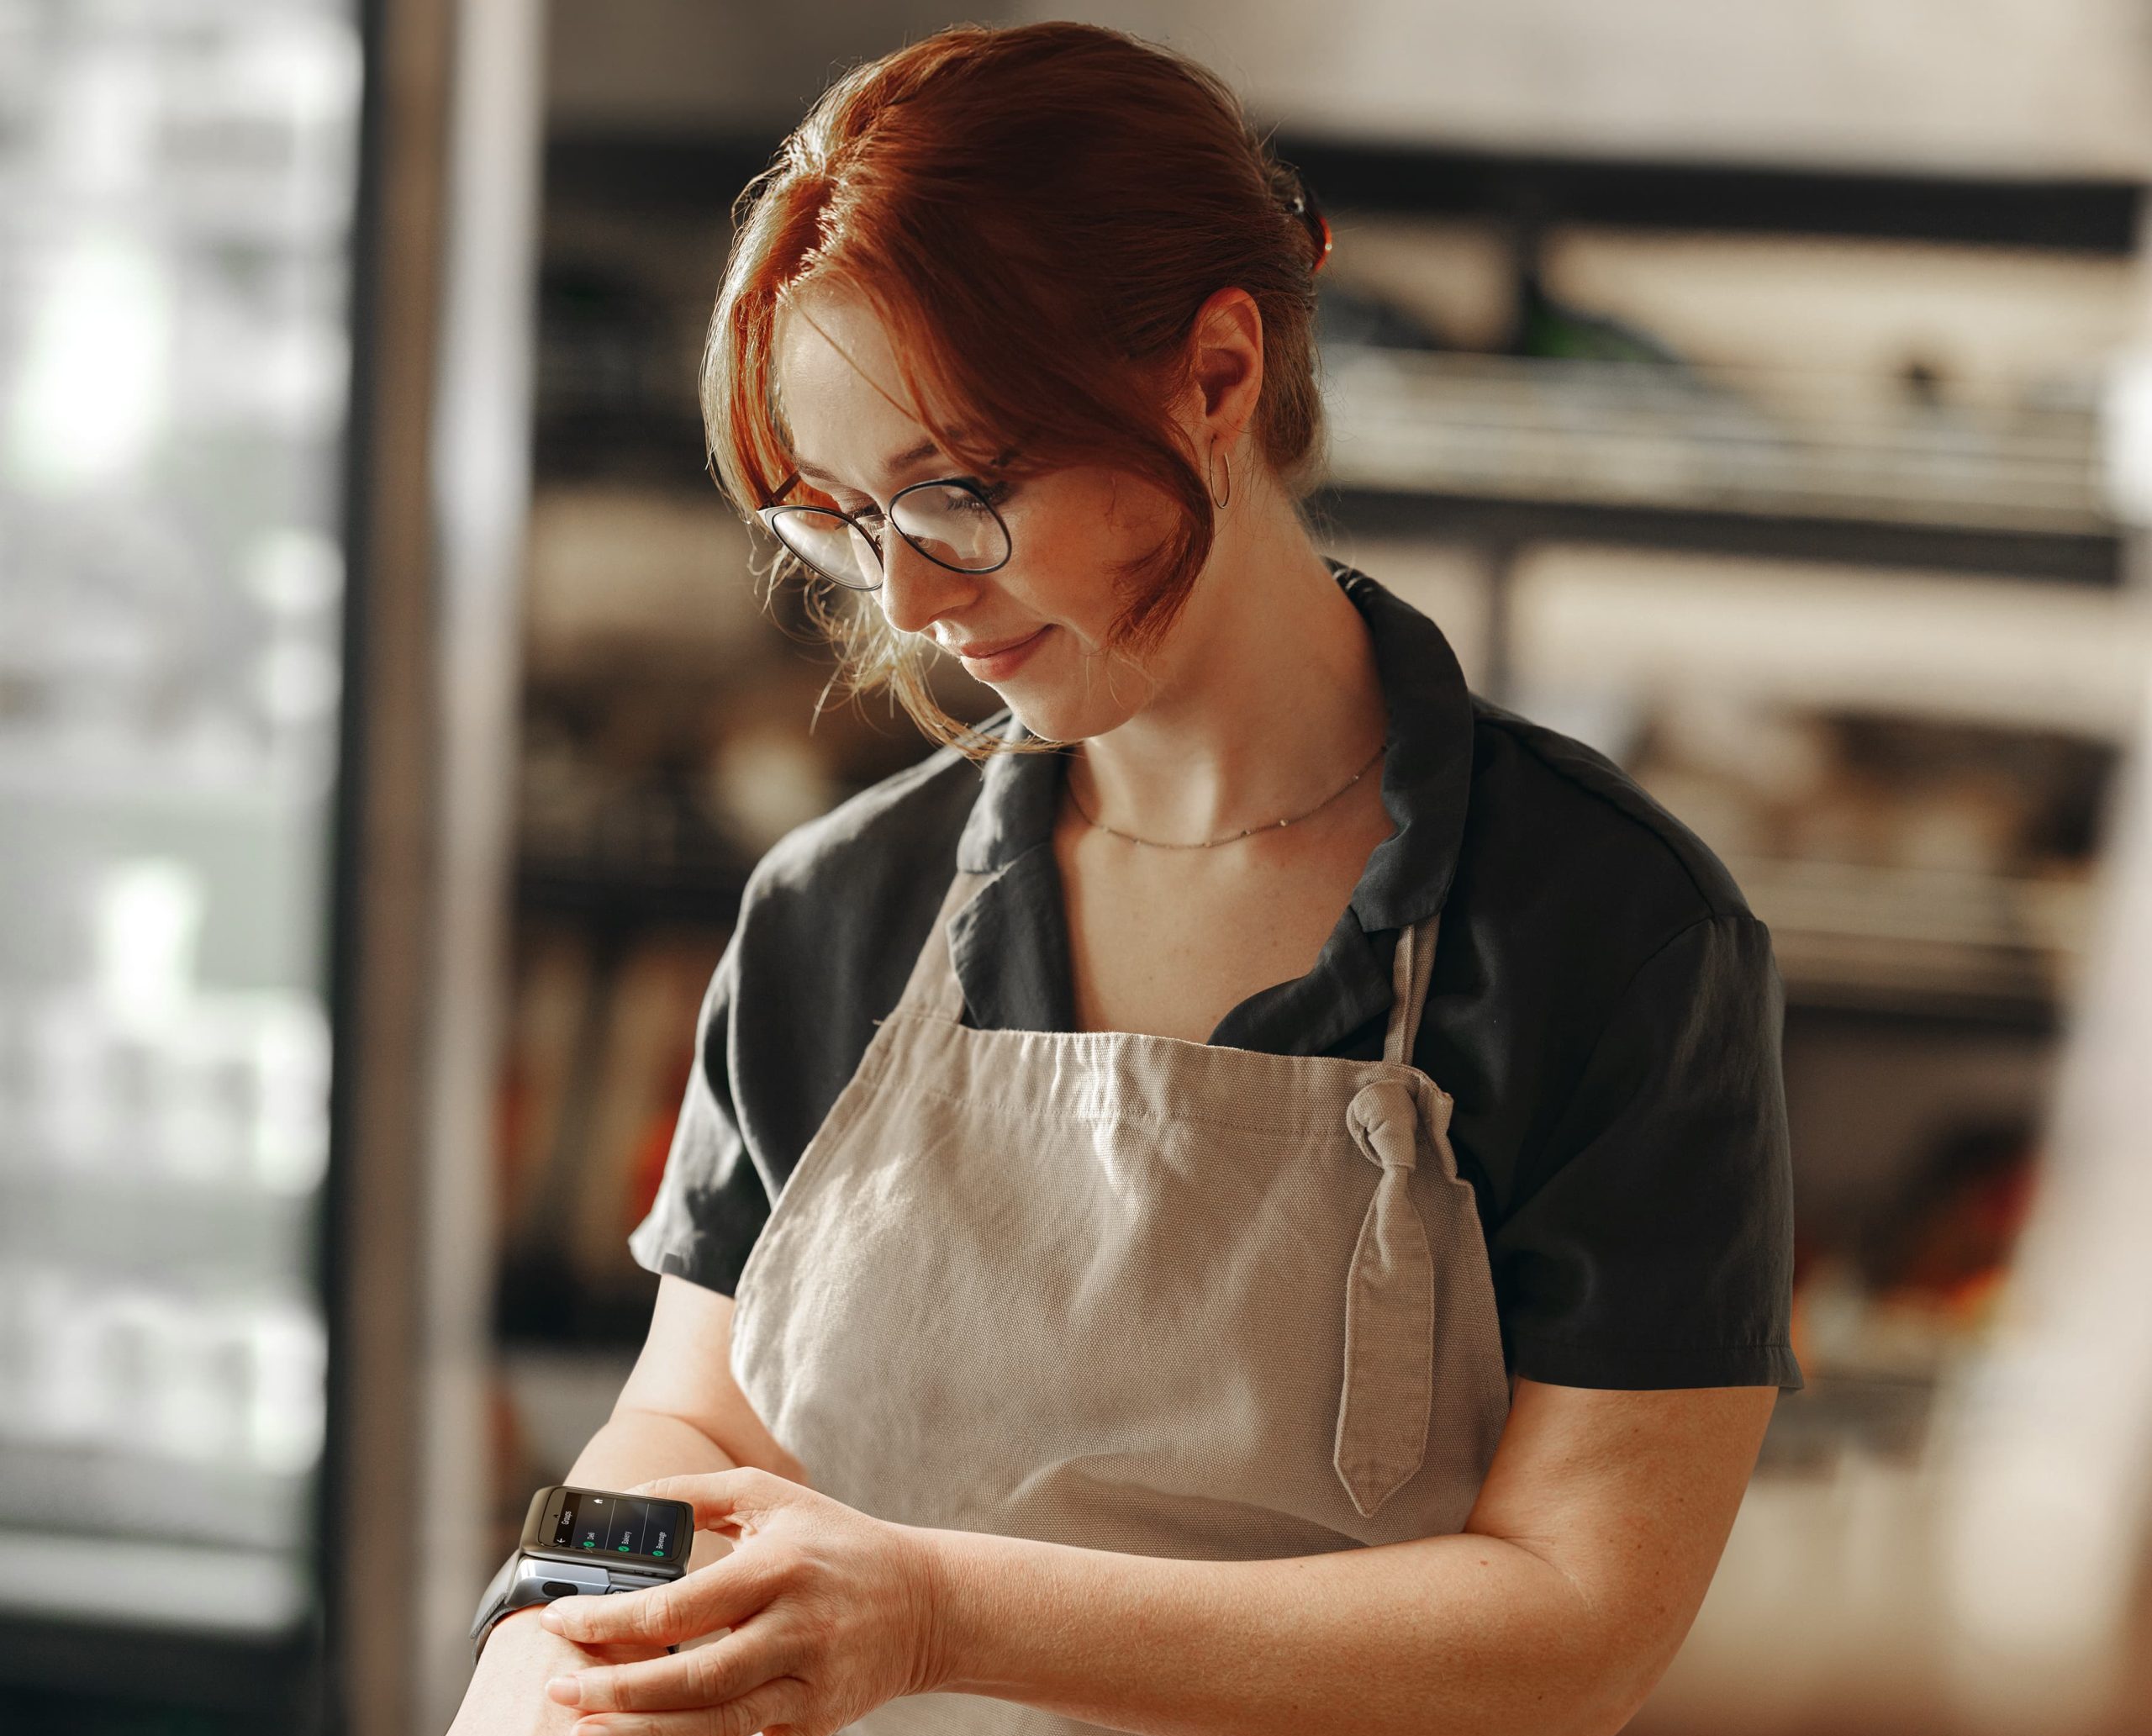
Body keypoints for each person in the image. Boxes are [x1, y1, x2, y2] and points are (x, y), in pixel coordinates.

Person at [449, 19, 1800, 1736]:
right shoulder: (834, 912)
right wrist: (559, 1645)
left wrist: (936, 1609)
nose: (911, 604)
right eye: (840, 526)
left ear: (1217, 375)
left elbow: (1571, 1619)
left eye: (957, 492)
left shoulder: (1607, 935)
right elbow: (692, 1431)